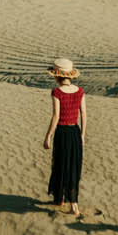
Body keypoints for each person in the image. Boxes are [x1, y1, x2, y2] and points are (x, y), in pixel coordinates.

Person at [42, 57, 86, 215]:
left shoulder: (57, 92)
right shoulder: (80, 91)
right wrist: (82, 134)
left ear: (56, 76)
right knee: (73, 167)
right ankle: (74, 203)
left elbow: (56, 116)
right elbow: (84, 114)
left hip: (62, 132)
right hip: (75, 132)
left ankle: (59, 198)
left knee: (61, 165)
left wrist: (48, 136)